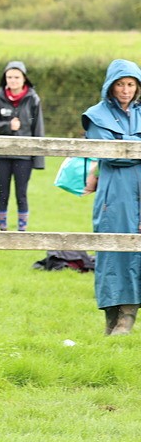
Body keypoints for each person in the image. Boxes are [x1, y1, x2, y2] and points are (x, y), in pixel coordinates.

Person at [81, 59, 141, 336]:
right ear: (110, 86)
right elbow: (110, 153)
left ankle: (127, 317)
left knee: (138, 252)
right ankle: (111, 319)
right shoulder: (96, 115)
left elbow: (121, 149)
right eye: (120, 84)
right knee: (111, 253)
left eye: (131, 84)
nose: (126, 90)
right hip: (113, 195)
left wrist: (125, 144)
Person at [0, 61, 44, 231]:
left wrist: (38, 160)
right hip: (1, 155)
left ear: (24, 79)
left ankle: (21, 230)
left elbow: (38, 129)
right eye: (9, 77)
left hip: (24, 157)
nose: (13, 80)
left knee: (21, 194)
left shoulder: (33, 99)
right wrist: (8, 126)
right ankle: (2, 229)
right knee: (3, 193)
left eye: (17, 77)